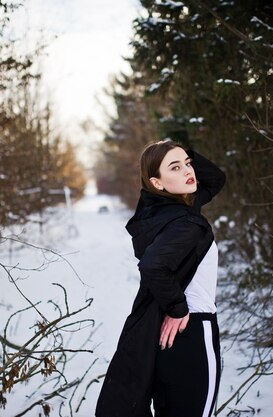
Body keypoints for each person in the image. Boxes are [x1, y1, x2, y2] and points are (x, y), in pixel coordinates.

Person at [96, 140, 226, 417]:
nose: (188, 171)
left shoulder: (160, 213)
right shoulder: (186, 223)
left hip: (163, 335)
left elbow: (216, 179)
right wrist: (178, 309)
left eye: (188, 164)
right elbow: (153, 266)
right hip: (192, 328)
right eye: (175, 168)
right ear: (158, 183)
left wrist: (180, 151)